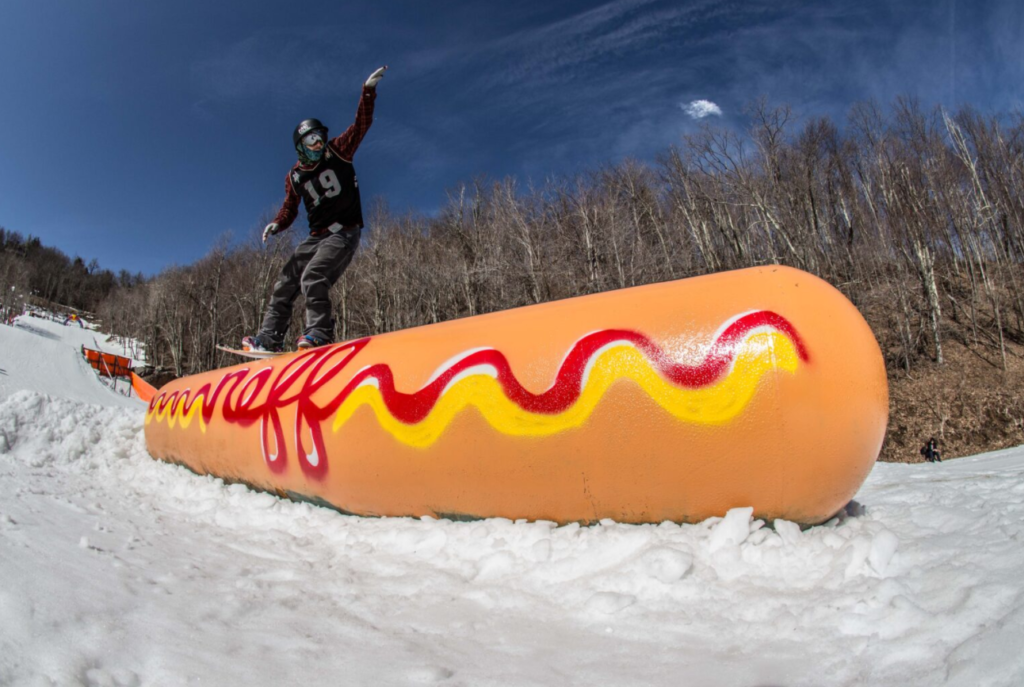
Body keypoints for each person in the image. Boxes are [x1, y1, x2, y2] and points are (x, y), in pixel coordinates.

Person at [243, 65, 388, 352]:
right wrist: (277, 224)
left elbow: (361, 124)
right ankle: (270, 338)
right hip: (316, 236)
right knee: (286, 280)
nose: (319, 143)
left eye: (321, 136)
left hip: (344, 233)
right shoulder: (294, 177)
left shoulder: (338, 151)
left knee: (313, 275)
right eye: (312, 140)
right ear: (300, 146)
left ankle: (319, 332)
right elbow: (289, 208)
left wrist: (367, 92)